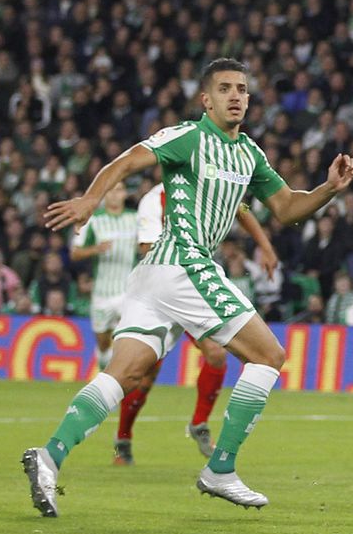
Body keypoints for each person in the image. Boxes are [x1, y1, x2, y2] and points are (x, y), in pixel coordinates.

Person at [24, 58, 353, 516]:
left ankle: (48, 457)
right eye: (225, 88)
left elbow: (285, 208)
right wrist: (91, 198)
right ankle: (220, 468)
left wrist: (328, 188)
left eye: (242, 88)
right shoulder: (188, 136)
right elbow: (127, 161)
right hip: (183, 262)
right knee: (269, 356)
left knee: (122, 375)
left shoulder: (250, 155)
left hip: (156, 275)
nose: (236, 96)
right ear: (207, 99)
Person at [109, 175, 280, 465]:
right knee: (143, 374)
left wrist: (265, 245)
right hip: (161, 289)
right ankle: (123, 438)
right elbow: (146, 248)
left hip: (194, 286)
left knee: (216, 354)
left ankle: (199, 423)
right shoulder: (154, 199)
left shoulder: (207, 187)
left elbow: (241, 208)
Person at [68, 188, 138, 372]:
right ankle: (103, 373)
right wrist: (96, 249)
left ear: (125, 194)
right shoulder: (94, 220)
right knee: (103, 343)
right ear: (105, 195)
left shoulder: (136, 219)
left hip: (127, 292)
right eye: (111, 191)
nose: (115, 194)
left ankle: (117, 383)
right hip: (101, 293)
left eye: (120, 190)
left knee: (125, 341)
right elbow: (75, 253)